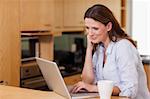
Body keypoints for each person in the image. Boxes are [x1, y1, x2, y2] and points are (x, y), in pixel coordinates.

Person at [70, 4, 150, 99]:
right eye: (87, 28)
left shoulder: (123, 47)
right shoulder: (100, 48)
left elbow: (129, 90)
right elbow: (87, 82)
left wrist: (95, 88)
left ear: (108, 26)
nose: (90, 33)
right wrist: (89, 49)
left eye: (95, 28)